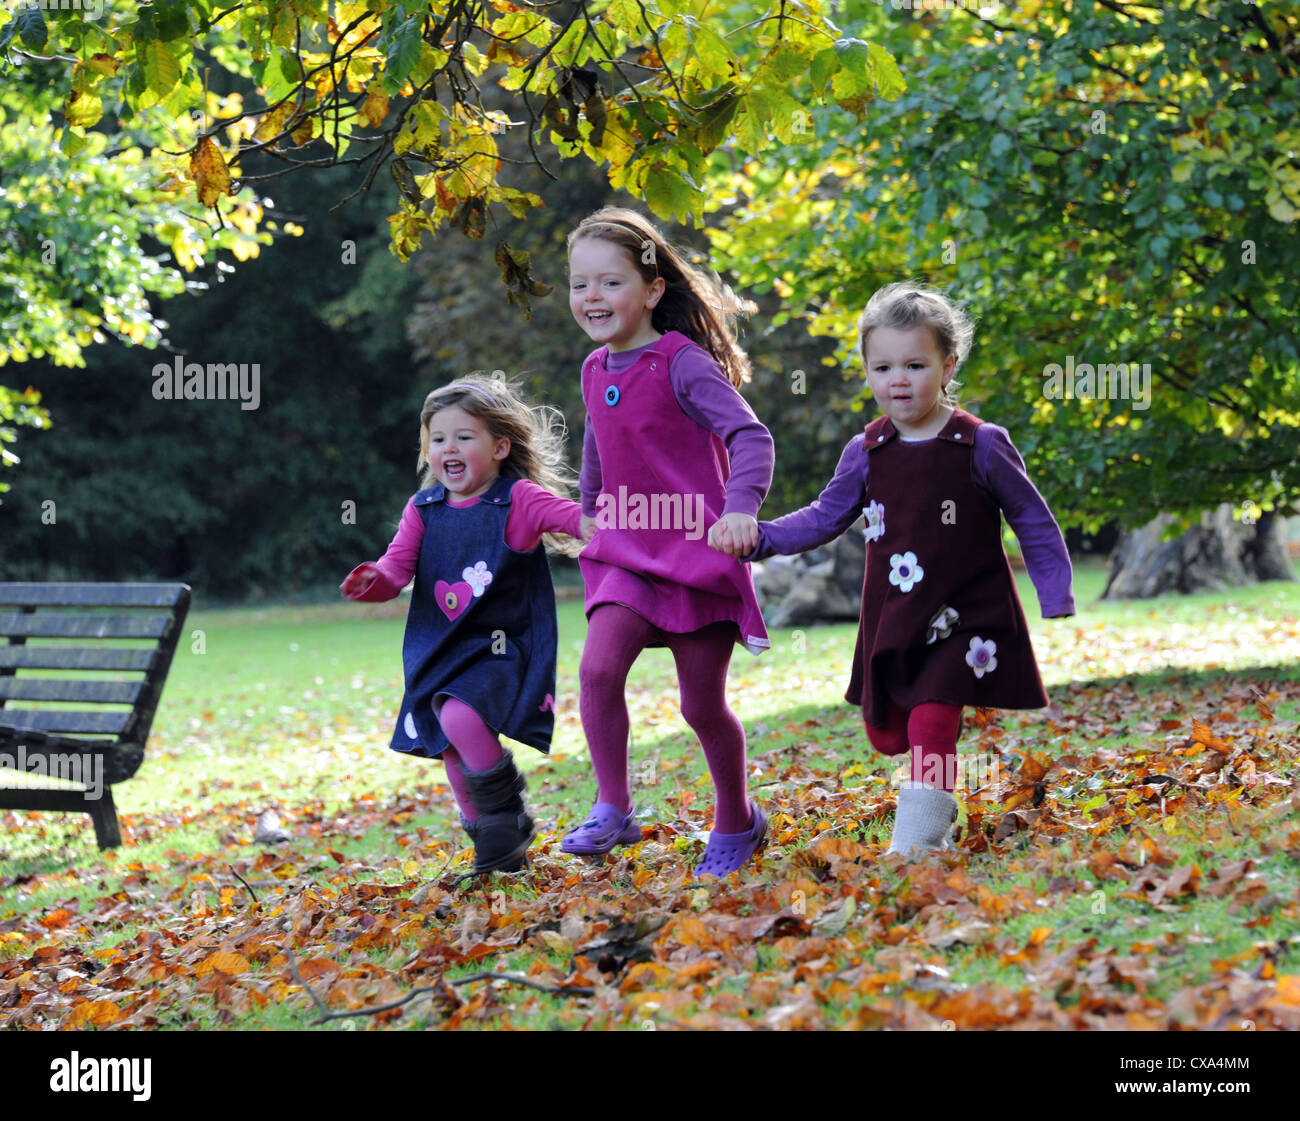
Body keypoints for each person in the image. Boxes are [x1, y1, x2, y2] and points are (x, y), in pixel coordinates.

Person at [718, 282, 1075, 856]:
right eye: (883, 367)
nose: (899, 379)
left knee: (933, 718)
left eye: (915, 364)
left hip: (966, 614)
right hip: (896, 613)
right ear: (867, 370)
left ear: (947, 365)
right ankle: (918, 799)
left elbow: (1031, 516)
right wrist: (760, 537)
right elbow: (825, 515)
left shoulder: (979, 444)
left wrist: (1054, 592)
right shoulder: (868, 450)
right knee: (889, 734)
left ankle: (918, 845)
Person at [562, 207, 774, 878]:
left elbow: (751, 437)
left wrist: (740, 510)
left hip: (695, 557)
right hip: (625, 552)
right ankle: (615, 805)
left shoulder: (682, 363)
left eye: (609, 282)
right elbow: (600, 446)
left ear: (653, 290)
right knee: (598, 669)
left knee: (700, 704)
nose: (592, 298)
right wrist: (584, 515)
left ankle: (737, 819)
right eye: (579, 284)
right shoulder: (595, 367)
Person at [341, 375, 584, 873]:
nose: (448, 448)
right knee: (448, 742)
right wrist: (374, 581)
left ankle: (506, 817)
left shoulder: (519, 500)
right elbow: (396, 568)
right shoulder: (423, 509)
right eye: (437, 439)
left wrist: (621, 527)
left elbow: (579, 520)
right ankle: (492, 845)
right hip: (440, 645)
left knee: (458, 716)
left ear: (500, 446)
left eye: (463, 437)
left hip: (502, 645)